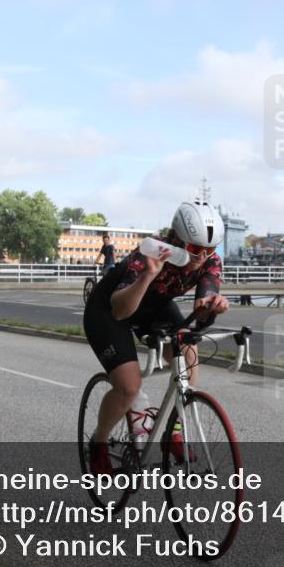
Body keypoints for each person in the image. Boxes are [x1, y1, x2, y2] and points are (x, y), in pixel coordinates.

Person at [83, 200, 227, 474]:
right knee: (129, 386)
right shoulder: (150, 253)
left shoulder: (210, 262)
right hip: (110, 310)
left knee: (189, 353)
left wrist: (212, 308)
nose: (202, 256)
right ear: (177, 240)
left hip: (156, 307)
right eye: (196, 249)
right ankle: (99, 442)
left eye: (210, 250)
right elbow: (122, 310)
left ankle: (174, 429)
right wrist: (149, 274)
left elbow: (202, 311)